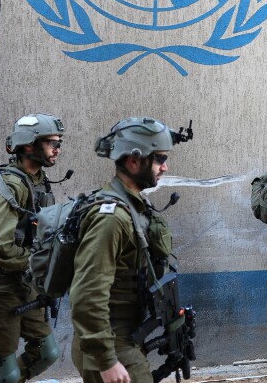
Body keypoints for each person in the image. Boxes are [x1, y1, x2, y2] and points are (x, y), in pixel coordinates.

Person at [70, 117, 185, 383]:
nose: (165, 167)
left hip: (122, 338)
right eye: (159, 159)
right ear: (134, 161)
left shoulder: (132, 207)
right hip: (109, 343)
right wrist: (106, 360)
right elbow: (87, 294)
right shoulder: (111, 218)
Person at [0, 113, 65, 383]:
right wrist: (36, 261)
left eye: (59, 143)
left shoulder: (37, 180)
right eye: (51, 143)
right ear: (29, 145)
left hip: (25, 285)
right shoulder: (11, 184)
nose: (57, 149)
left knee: (47, 352)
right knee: (4, 371)